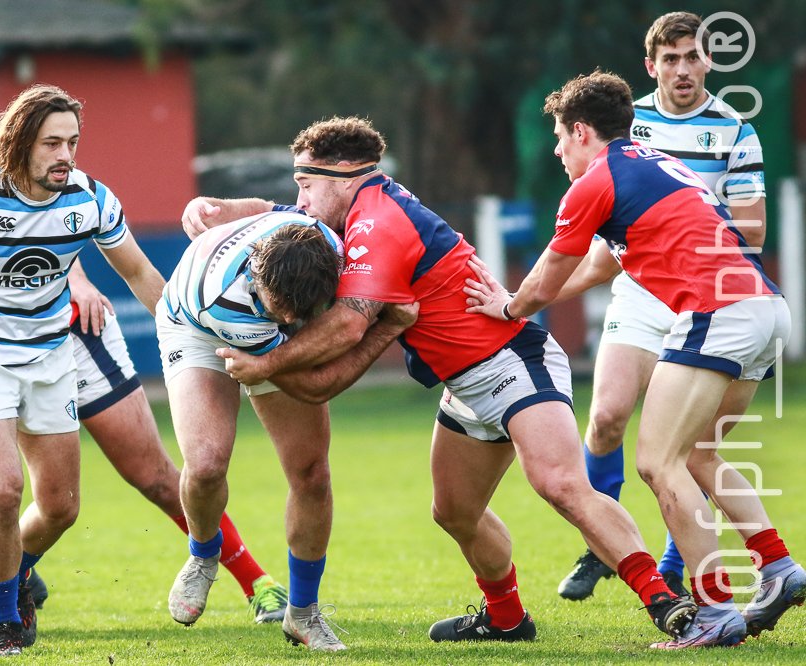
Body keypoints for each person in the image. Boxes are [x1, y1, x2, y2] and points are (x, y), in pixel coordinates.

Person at [183, 116, 696, 647]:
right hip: (465, 385)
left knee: (560, 483)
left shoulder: (377, 220)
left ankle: (663, 599)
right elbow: (277, 212)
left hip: (510, 361)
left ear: (344, 173)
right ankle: (506, 618)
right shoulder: (353, 209)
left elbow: (349, 325)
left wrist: (267, 364)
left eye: (305, 183)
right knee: (454, 512)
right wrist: (217, 209)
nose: (301, 199)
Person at [464, 70, 803, 648]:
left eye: (560, 138)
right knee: (699, 453)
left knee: (658, 462)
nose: (557, 151)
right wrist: (523, 299)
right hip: (765, 309)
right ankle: (777, 567)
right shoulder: (651, 164)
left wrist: (509, 306)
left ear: (580, 131)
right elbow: (598, 266)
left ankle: (714, 610)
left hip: (718, 312)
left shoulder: (597, 181)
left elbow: (546, 277)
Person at [0, 84, 165, 657]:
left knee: (62, 506)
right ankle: (5, 620)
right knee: (4, 490)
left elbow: (140, 274)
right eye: (51, 144)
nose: (65, 155)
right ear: (20, 142)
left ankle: (9, 575)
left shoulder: (90, 199)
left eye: (72, 142)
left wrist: (184, 330)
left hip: (50, 357)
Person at [556, 10, 769, 602]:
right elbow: (604, 213)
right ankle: (602, 545)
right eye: (670, 59)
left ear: (708, 61)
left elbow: (753, 229)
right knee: (605, 417)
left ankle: (677, 563)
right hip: (638, 289)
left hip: (704, 294)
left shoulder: (735, 130)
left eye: (692, 56)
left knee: (688, 448)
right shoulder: (629, 125)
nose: (682, 69)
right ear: (651, 66)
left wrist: (680, 218)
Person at [0, 275, 290, 632]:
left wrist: (77, 277)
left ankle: (258, 583)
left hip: (77, 333)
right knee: (38, 501)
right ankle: (5, 589)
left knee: (157, 480)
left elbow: (126, 262)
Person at [160, 211, 392, 653]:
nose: (285, 316)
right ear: (257, 269)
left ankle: (302, 613)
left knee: (311, 474)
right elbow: (315, 384)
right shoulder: (228, 304)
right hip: (195, 326)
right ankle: (204, 554)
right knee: (206, 464)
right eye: (277, 305)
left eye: (296, 310)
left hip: (258, 318)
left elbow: (278, 208)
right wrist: (389, 328)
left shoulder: (332, 249)